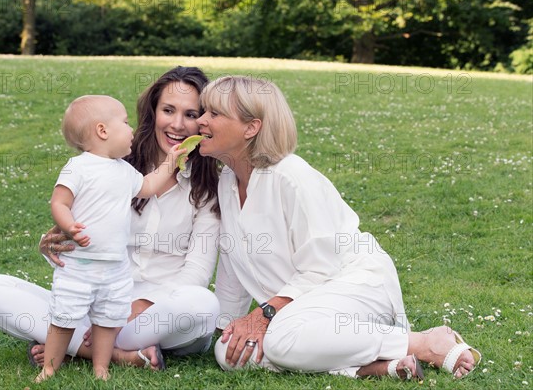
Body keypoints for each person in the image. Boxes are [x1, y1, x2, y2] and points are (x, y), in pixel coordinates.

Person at [196, 76, 482, 380]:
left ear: (251, 128)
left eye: (213, 114)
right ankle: (375, 367)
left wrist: (264, 314)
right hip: (299, 309)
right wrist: (228, 327)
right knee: (229, 353)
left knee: (280, 339)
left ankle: (424, 342)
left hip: (352, 285)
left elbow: (320, 269)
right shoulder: (227, 180)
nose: (200, 121)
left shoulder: (290, 176)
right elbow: (231, 262)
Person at [0, 66, 221, 373]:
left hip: (159, 316)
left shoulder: (208, 188)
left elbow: (196, 274)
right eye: (168, 110)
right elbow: (78, 234)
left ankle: (72, 345)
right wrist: (52, 244)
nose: (178, 124)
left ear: (204, 120)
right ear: (152, 112)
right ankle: (119, 355)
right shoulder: (111, 166)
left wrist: (135, 309)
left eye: (191, 114)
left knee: (203, 305)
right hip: (96, 303)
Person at [36, 95, 186, 382]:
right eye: (126, 123)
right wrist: (70, 226)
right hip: (78, 265)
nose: (132, 130)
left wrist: (171, 161)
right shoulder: (77, 167)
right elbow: (59, 202)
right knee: (63, 318)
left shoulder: (125, 171)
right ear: (103, 131)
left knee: (108, 320)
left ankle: (101, 368)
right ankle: (50, 367)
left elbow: (150, 185)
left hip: (115, 268)